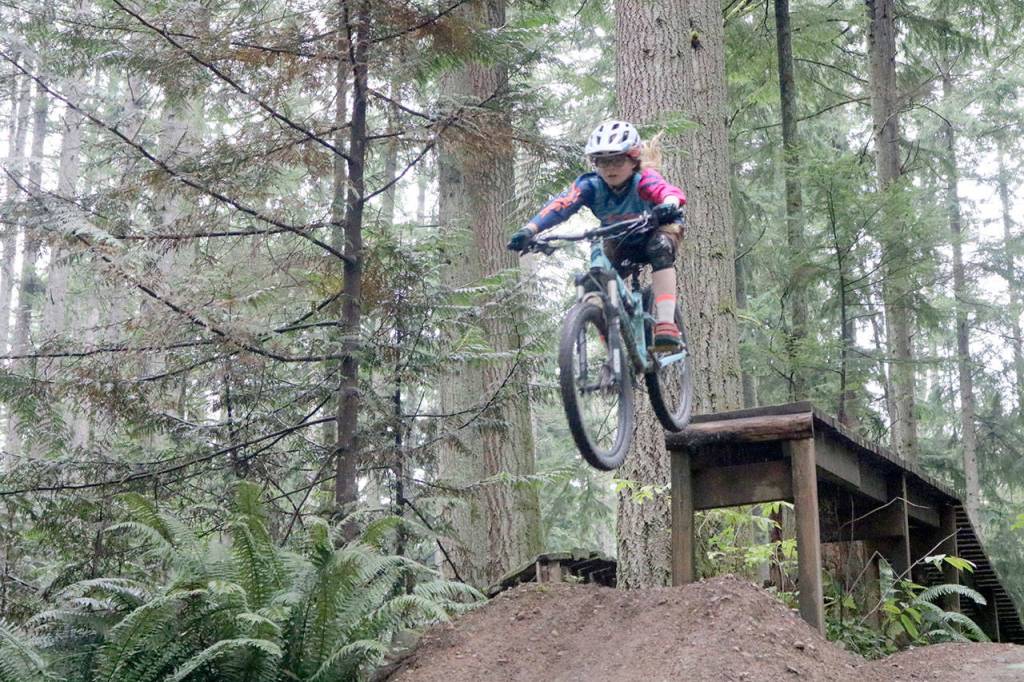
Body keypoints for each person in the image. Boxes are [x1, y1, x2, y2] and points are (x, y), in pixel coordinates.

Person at [507, 120, 687, 350]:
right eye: (602, 161)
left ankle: (665, 322)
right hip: (619, 239)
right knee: (595, 281)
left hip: (655, 230)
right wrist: (530, 230)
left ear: (633, 160)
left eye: (617, 160)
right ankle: (614, 352)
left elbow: (666, 191)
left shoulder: (644, 180)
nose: (609, 168)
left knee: (659, 247)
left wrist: (669, 204)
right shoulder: (591, 186)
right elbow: (561, 205)